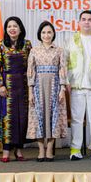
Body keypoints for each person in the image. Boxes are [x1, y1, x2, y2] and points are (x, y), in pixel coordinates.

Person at [66, 10, 91, 161]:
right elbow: (65, 62)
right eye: (84, 19)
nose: (87, 22)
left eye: (90, 20)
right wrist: (67, 82)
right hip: (76, 85)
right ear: (79, 22)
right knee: (76, 119)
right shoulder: (71, 40)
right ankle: (75, 149)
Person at [27, 21, 68, 162]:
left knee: (53, 116)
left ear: (53, 34)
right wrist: (31, 91)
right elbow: (30, 71)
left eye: (49, 32)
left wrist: (62, 89)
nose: (46, 35)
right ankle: (40, 150)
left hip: (54, 86)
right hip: (38, 86)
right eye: (43, 32)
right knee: (38, 116)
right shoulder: (34, 50)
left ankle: (50, 149)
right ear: (40, 34)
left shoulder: (59, 50)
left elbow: (63, 69)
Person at [0, 16, 32, 162]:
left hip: (23, 86)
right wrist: (0, 85)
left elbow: (31, 67)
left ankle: (19, 150)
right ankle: (6, 151)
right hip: (7, 86)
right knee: (7, 118)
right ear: (6, 29)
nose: (12, 29)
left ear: (20, 28)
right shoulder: (1, 45)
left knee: (22, 118)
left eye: (15, 26)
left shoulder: (27, 45)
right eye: (9, 26)